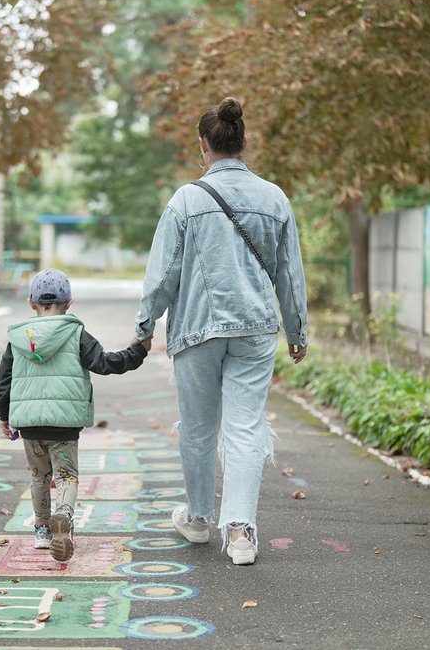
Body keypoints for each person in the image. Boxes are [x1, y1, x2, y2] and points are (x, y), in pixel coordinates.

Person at [134, 97, 309, 566]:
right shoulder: (274, 198)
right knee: (246, 427)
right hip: (254, 329)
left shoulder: (186, 200)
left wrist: (145, 324)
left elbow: (163, 272)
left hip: (197, 329)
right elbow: (289, 273)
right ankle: (241, 532)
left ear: (203, 146)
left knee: (197, 428)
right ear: (244, 142)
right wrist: (297, 329)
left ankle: (196, 519)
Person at [0, 268, 149, 562]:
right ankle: (63, 515)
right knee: (66, 475)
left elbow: (5, 380)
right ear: (70, 303)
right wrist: (137, 351)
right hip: (64, 423)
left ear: (31, 303)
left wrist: (4, 414)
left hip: (28, 422)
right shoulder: (76, 332)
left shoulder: (18, 338)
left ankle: (42, 532)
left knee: (39, 475)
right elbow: (105, 364)